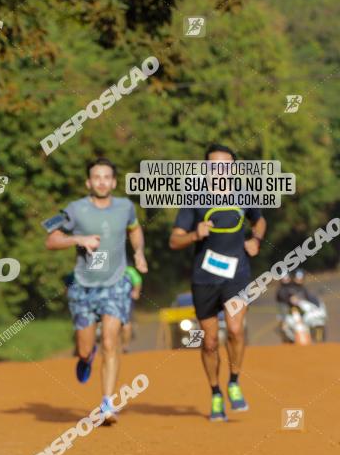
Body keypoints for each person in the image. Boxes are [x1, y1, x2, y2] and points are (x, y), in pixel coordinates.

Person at [169, 143, 267, 421]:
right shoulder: (194, 200)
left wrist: (256, 240)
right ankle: (215, 393)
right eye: (213, 165)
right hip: (204, 278)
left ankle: (234, 381)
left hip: (237, 274)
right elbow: (174, 240)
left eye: (225, 165)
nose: (219, 170)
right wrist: (194, 234)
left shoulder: (244, 194)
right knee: (210, 342)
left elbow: (259, 221)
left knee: (235, 329)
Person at [46, 157, 148, 423]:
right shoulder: (75, 209)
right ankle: (85, 356)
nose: (102, 181)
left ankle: (106, 403)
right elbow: (51, 239)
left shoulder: (126, 207)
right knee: (85, 347)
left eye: (107, 177)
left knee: (111, 342)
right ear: (88, 182)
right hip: (84, 286)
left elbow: (135, 230)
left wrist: (138, 253)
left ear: (113, 182)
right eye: (96, 177)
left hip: (115, 284)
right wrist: (78, 239)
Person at [121, 266, 143, 353]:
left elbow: (137, 281)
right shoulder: (128, 270)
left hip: (126, 301)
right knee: (125, 323)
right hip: (114, 301)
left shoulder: (129, 270)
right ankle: (123, 345)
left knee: (126, 324)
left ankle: (125, 346)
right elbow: (138, 281)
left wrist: (136, 292)